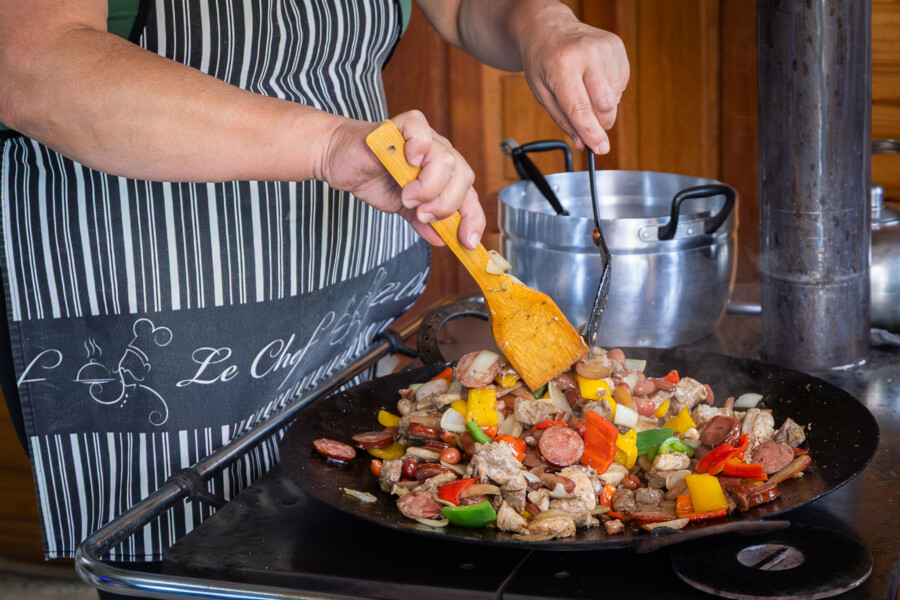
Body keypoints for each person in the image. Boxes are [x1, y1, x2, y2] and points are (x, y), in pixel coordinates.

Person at [0, 0, 628, 589]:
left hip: (348, 303)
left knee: (346, 535)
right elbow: (32, 64)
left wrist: (543, 23)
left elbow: (462, 7)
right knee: (195, 566)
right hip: (163, 304)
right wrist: (327, 144)